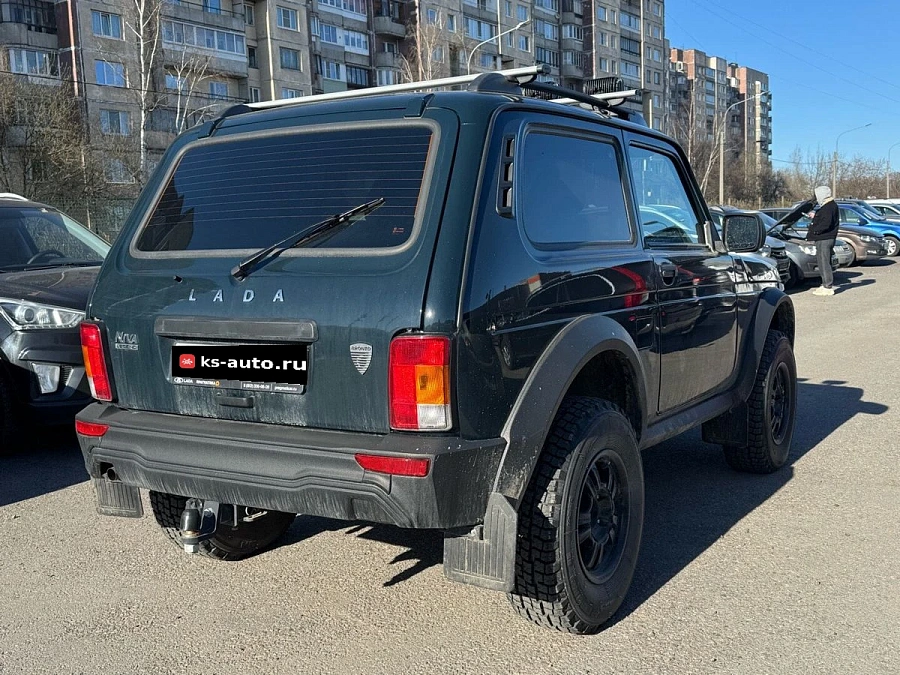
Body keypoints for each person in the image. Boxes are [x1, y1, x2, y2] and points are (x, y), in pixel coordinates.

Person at [806, 186, 839, 296]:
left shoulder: (828, 207)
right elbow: (825, 219)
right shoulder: (828, 206)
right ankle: (825, 283)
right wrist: (816, 216)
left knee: (824, 262)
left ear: (822, 195)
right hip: (824, 237)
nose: (816, 197)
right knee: (822, 262)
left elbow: (826, 223)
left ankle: (828, 286)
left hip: (825, 238)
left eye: (817, 195)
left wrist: (815, 231)